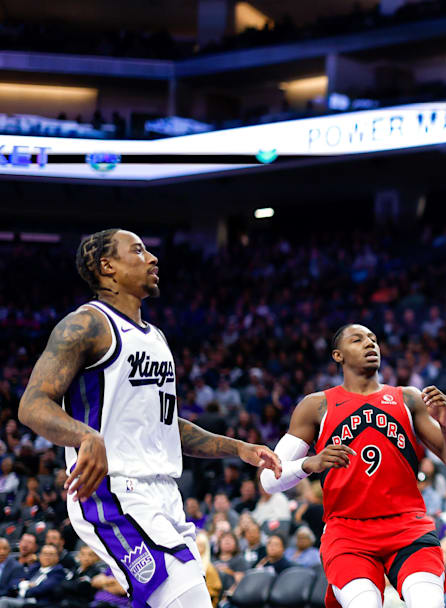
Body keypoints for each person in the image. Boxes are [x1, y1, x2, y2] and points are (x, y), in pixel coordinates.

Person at [17, 229, 281, 608]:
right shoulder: (87, 324)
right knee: (189, 600)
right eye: (138, 251)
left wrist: (238, 448)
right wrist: (86, 436)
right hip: (113, 491)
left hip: (165, 495)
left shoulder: (156, 337)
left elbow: (167, 425)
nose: (152, 258)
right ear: (107, 267)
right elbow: (32, 403)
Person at [260, 323, 446, 608]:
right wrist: (310, 463)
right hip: (347, 533)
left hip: (407, 526)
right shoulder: (316, 405)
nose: (370, 344)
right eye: (357, 340)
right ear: (338, 356)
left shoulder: (407, 398)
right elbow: (269, 480)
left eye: (373, 339)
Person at [0, 544, 65, 607]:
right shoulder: (35, 568)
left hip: (37, 603)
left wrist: (22, 591)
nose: (47, 557)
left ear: (57, 557)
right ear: (40, 556)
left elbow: (41, 589)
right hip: (21, 599)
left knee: (4, 601)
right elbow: (14, 582)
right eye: (45, 553)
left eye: (51, 554)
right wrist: (26, 584)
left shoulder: (58, 572)